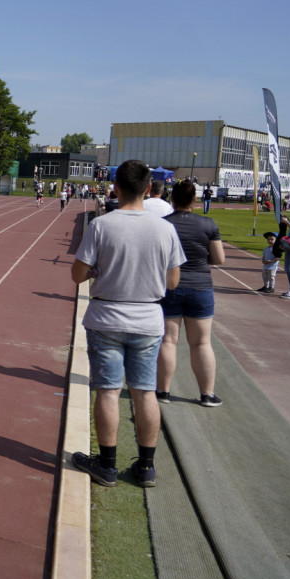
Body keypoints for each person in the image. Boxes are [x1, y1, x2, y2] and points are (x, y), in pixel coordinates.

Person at [71, 160, 185, 488]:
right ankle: (146, 467)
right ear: (149, 189)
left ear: (116, 188)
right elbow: (173, 282)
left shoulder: (102, 225)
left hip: (107, 317)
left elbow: (77, 274)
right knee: (145, 392)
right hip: (148, 319)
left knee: (107, 392)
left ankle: (106, 465)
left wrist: (98, 271)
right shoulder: (165, 228)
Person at [155, 180, 225, 407]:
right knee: (202, 343)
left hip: (169, 286)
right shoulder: (208, 224)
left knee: (168, 340)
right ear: (194, 199)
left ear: (171, 198)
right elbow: (219, 259)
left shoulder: (163, 224)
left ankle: (162, 392)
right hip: (200, 287)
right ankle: (207, 395)